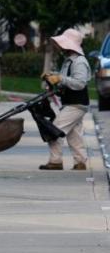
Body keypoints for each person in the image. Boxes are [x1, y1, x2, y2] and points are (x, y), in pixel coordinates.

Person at [39, 28, 91, 171]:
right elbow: (65, 79)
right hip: (71, 102)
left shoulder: (79, 62)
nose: (59, 46)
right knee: (74, 135)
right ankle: (80, 162)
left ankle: (55, 161)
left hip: (76, 103)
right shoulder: (68, 61)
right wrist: (52, 76)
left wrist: (60, 78)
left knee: (54, 130)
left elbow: (80, 83)